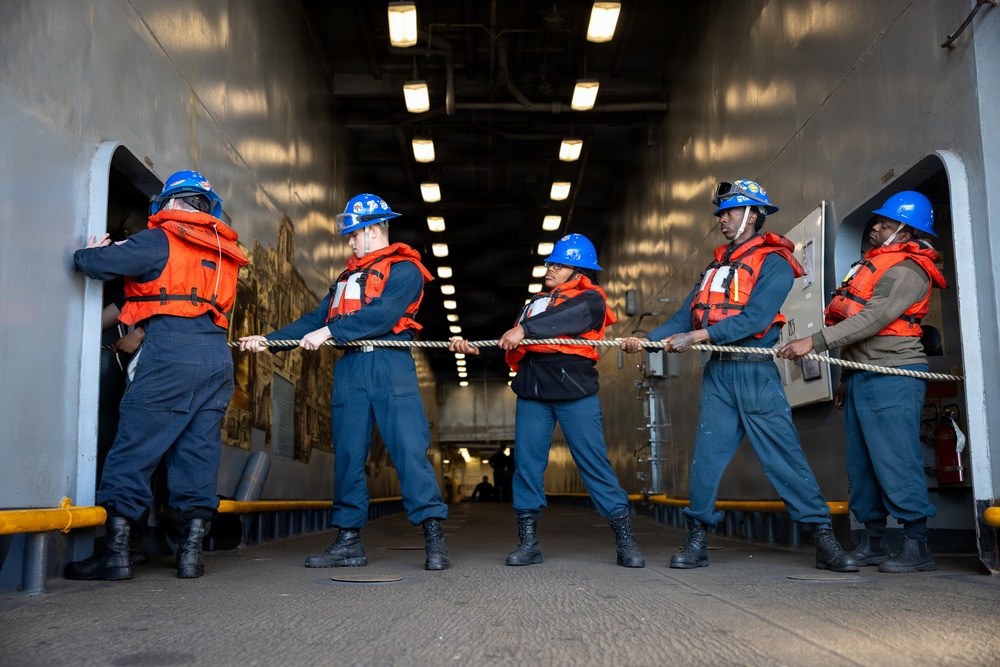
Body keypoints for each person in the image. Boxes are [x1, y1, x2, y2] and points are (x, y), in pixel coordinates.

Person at [620, 179, 857, 572]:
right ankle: (696, 540)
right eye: (721, 213)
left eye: (729, 212)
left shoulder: (775, 263)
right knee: (706, 462)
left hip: (756, 376)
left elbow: (756, 319)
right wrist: (647, 340)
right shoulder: (713, 269)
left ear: (751, 216)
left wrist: (700, 336)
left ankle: (824, 540)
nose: (722, 220)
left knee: (785, 458)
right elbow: (685, 316)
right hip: (719, 378)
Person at [239, 193, 449, 571]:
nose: (350, 241)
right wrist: (268, 340)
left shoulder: (406, 271)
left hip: (390, 364)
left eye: (355, 234)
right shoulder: (346, 279)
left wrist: (331, 334)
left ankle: (433, 537)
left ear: (373, 230)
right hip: (351, 369)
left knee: (408, 451)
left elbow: (381, 316)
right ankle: (349, 541)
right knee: (349, 455)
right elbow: (313, 320)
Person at [68, 169, 248, 580]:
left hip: (170, 354)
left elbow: (95, 264)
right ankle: (190, 556)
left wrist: (91, 252)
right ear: (207, 207)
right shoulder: (225, 253)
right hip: (217, 359)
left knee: (134, 450)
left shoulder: (159, 239)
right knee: (197, 454)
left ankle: (116, 554)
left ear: (169, 203)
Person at [777, 191, 947, 573]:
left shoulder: (907, 271)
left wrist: (814, 341)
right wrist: (845, 378)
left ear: (906, 233)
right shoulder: (871, 265)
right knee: (863, 465)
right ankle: (872, 541)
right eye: (878, 221)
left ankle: (917, 547)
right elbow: (857, 331)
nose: (876, 227)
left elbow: (871, 320)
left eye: (886, 224)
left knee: (896, 460)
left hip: (893, 375)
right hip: (862, 377)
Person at [450, 233, 645, 568]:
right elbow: (511, 343)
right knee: (527, 467)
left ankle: (625, 541)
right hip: (533, 393)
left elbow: (565, 319)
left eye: (558, 263)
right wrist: (477, 349)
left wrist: (523, 331)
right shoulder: (535, 303)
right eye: (550, 263)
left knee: (593, 464)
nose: (550, 268)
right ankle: (528, 543)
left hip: (574, 393)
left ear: (579, 270)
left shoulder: (590, 300)